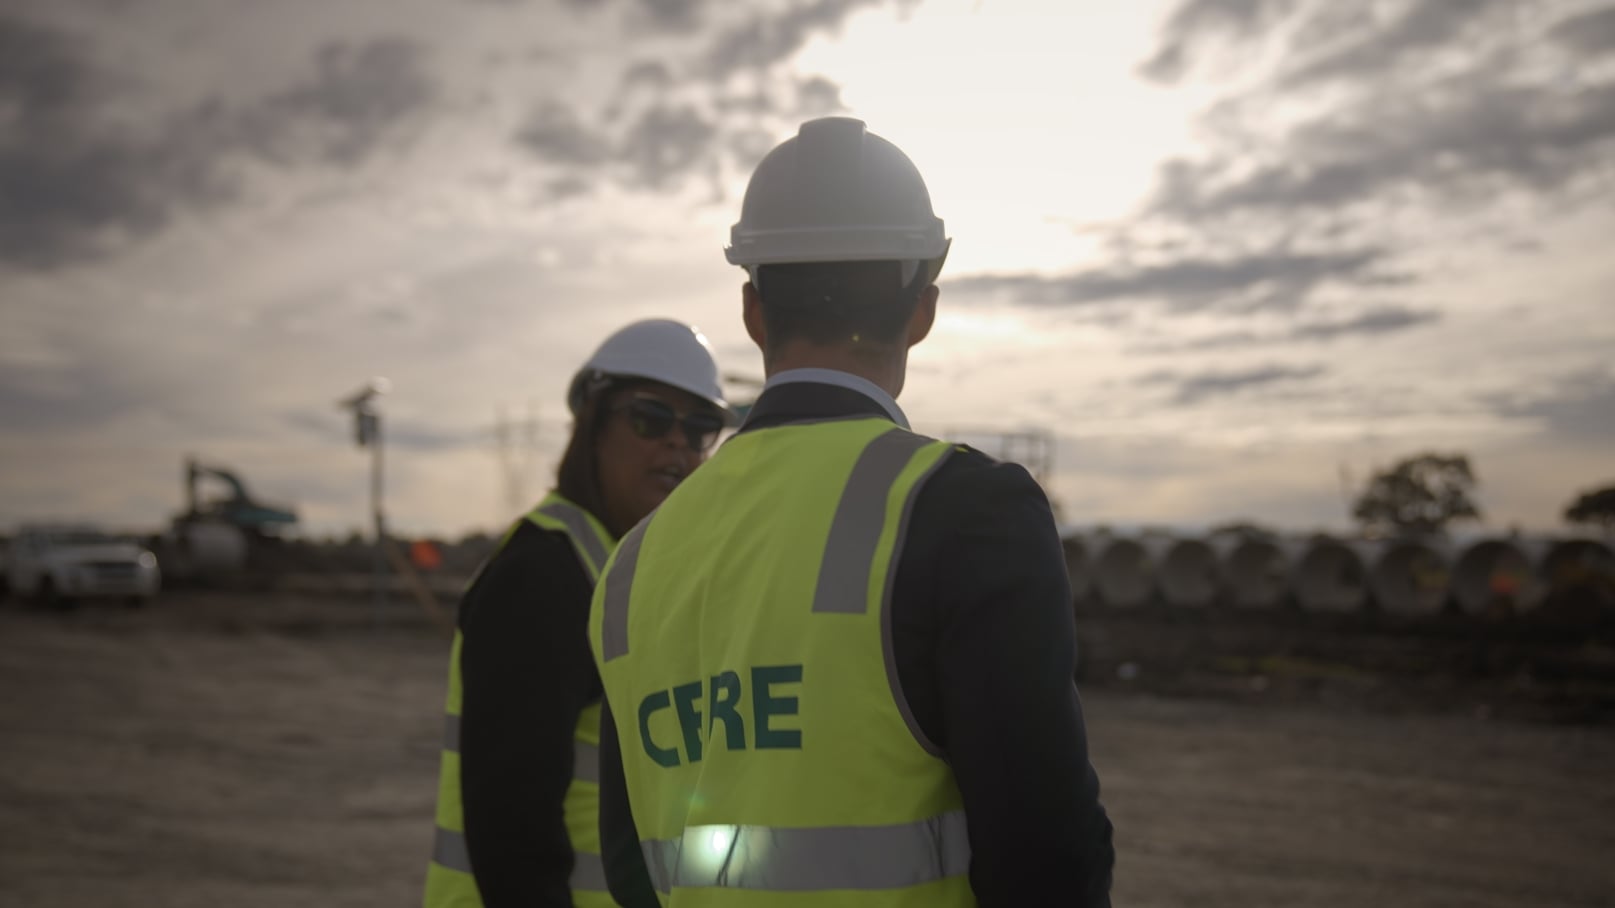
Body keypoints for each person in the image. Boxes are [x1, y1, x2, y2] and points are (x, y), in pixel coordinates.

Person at [588, 116, 1114, 907]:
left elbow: (631, 874)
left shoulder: (625, 571)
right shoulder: (964, 512)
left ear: (753, 312)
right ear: (923, 310)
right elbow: (1046, 854)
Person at [423, 319, 734, 908]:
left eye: (700, 429)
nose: (678, 444)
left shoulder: (623, 570)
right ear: (592, 425)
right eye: (650, 418)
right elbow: (513, 823)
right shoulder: (542, 576)